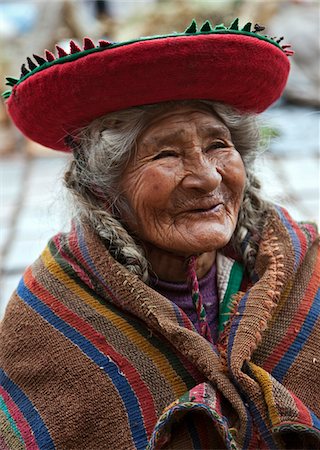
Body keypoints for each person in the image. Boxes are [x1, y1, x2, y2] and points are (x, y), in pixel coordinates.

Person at [1, 18, 319, 450]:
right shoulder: (56, 308)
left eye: (218, 146)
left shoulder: (304, 264)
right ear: (104, 186)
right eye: (166, 153)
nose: (207, 178)